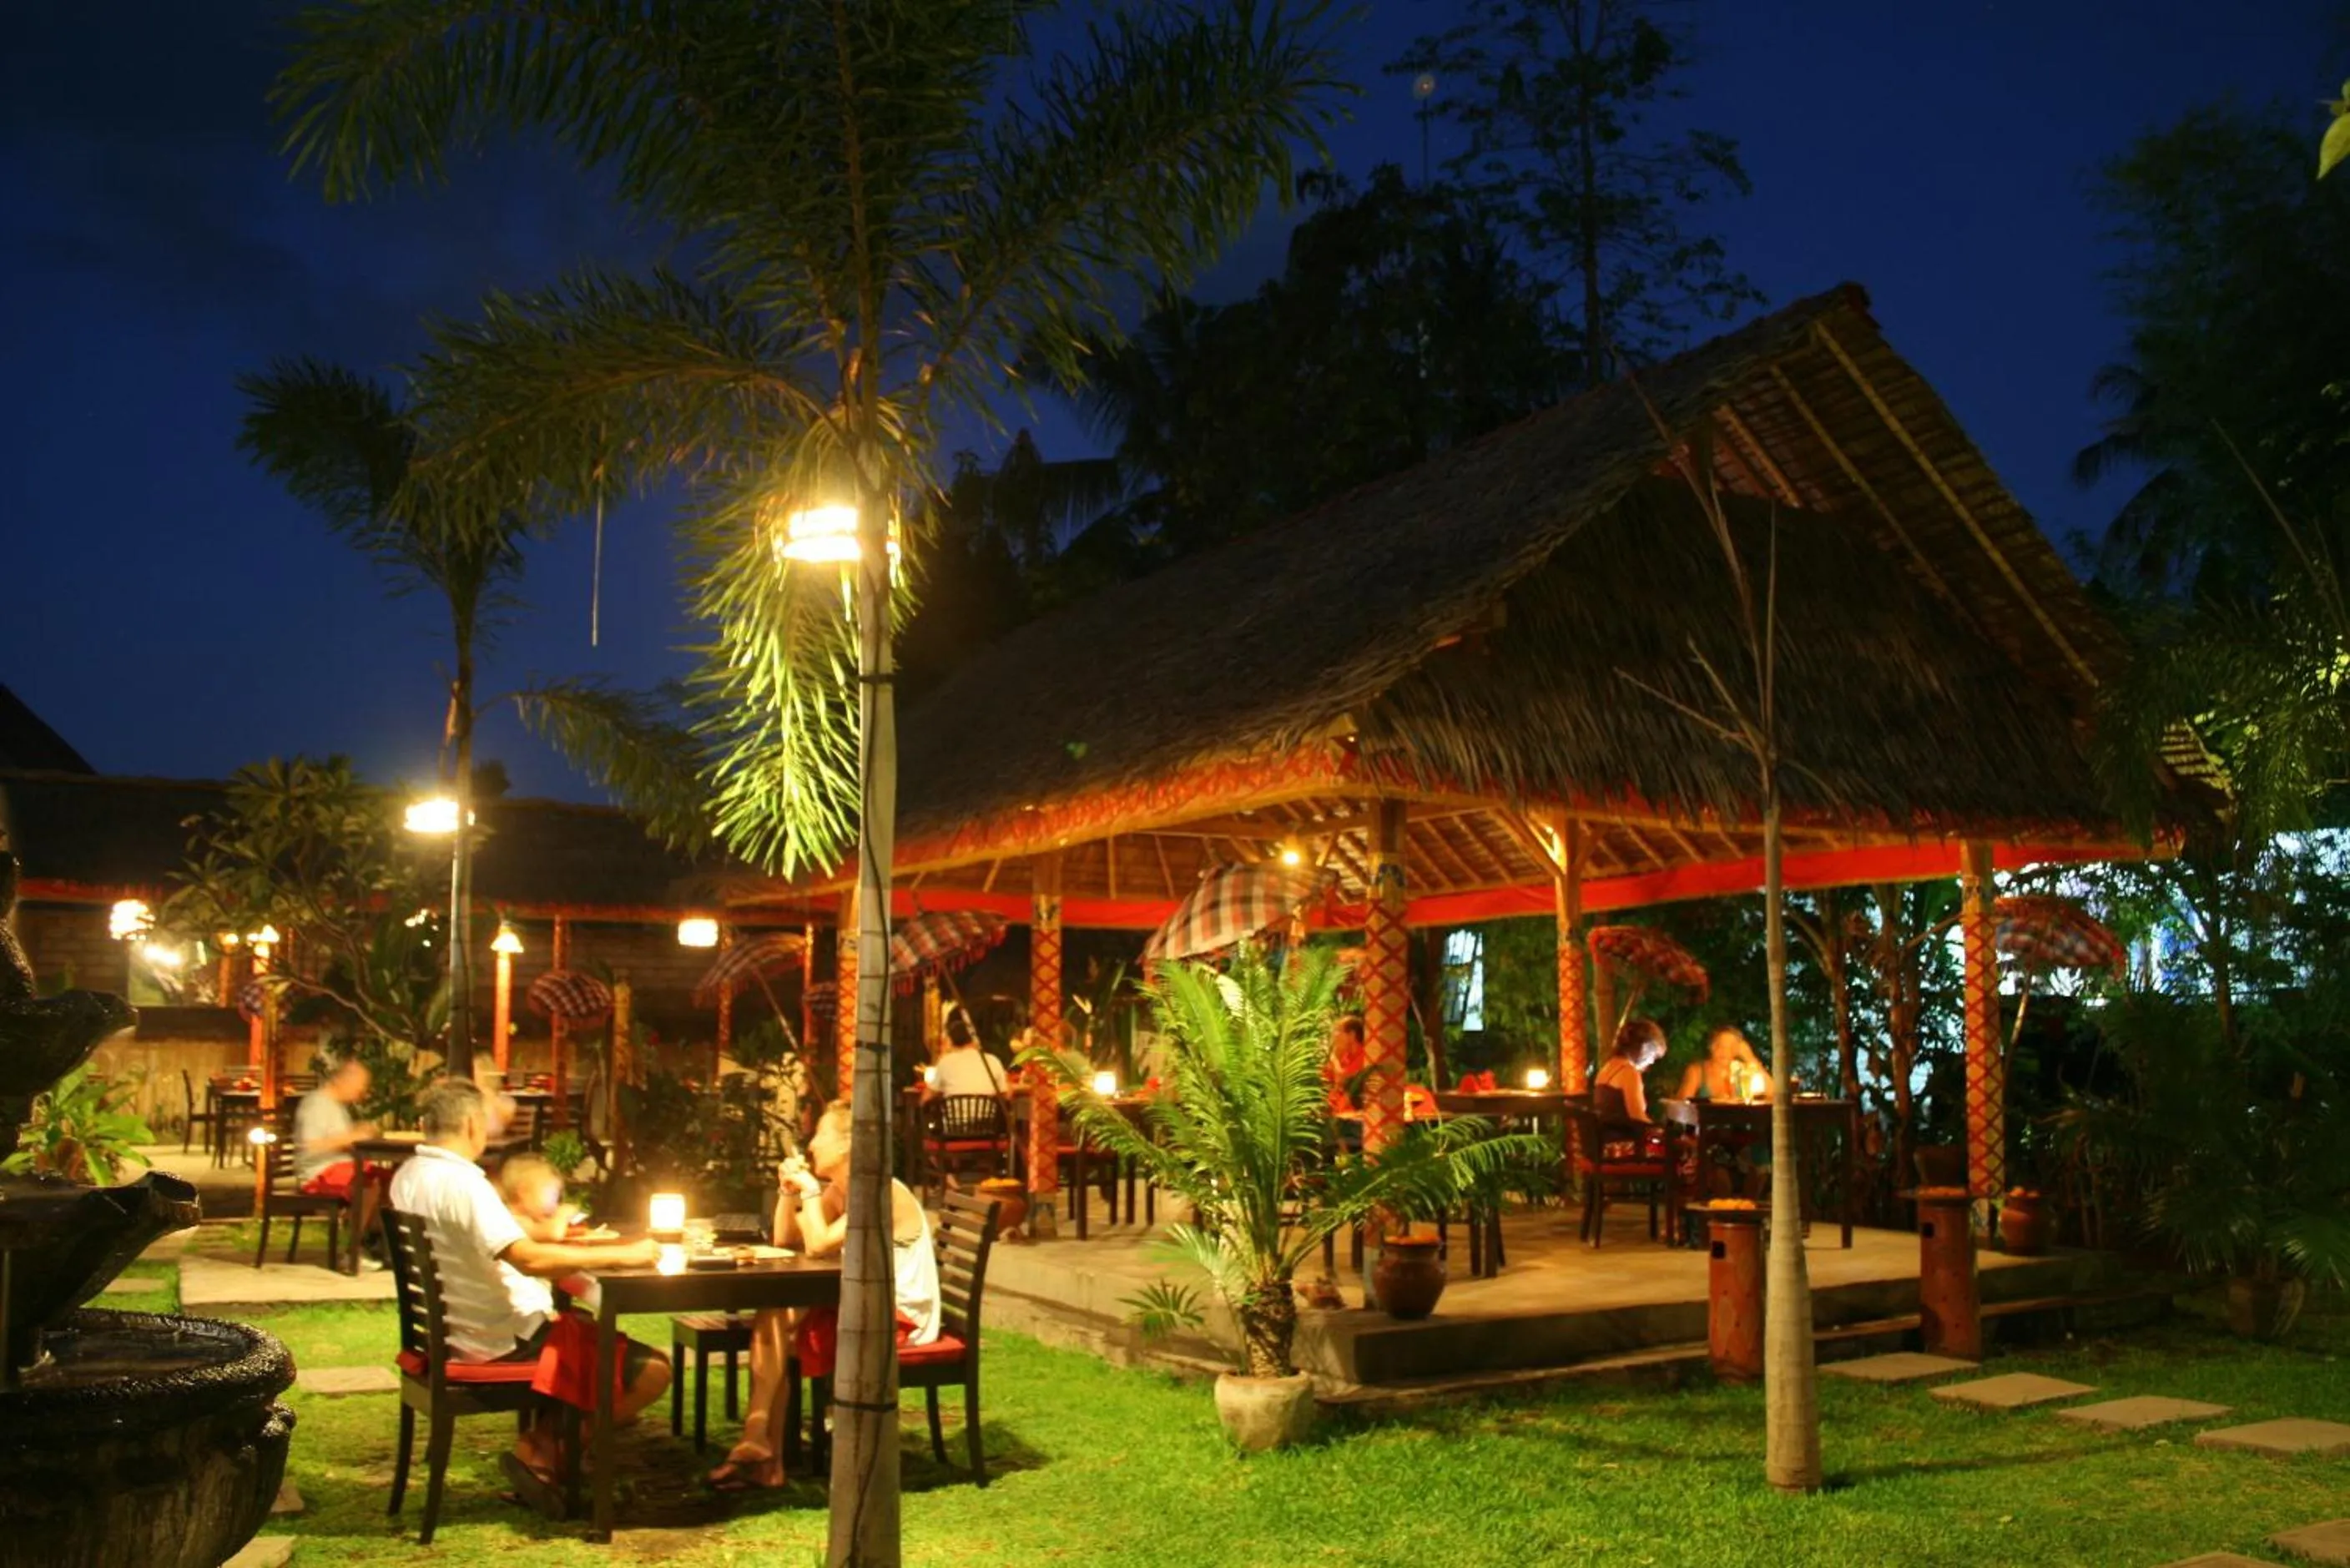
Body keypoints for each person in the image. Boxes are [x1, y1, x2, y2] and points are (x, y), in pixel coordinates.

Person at [387, 1078, 668, 1505]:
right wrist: (628, 1256)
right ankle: (548, 1451)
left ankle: (538, 1447)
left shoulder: (410, 1175)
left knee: (584, 1327)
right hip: (496, 1342)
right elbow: (528, 1260)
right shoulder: (462, 1183)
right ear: (470, 1124)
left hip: (453, 1335)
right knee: (653, 1370)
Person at [708, 1099, 939, 1492]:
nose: (811, 1144)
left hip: (896, 1319)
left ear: (848, 1144)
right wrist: (786, 1191)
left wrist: (811, 1191)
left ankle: (763, 1450)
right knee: (775, 1313)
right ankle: (761, 1446)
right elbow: (786, 1240)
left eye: (819, 1135)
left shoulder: (878, 1190)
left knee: (779, 1325)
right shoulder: (843, 1189)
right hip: (857, 1306)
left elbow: (817, 1246)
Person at [292, 1057, 388, 1268]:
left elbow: (344, 1141)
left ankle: (377, 1243)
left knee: (388, 1179)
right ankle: (353, 1250)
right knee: (369, 1181)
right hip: (318, 1172)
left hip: (340, 1167)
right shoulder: (317, 1103)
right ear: (344, 1081)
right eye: (360, 1087)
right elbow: (311, 1145)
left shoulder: (338, 1106)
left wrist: (358, 1136)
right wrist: (352, 1136)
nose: (361, 1092)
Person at [1595, 1018, 1669, 1124]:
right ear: (1644, 1047)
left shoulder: (1608, 1067)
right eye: (1653, 1055)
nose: (1652, 1061)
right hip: (1625, 1139)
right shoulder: (1629, 1073)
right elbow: (1638, 1120)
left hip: (1607, 1138)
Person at [1675, 1025, 1772, 1104]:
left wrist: (1750, 1057)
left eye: (1731, 1046)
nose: (1724, 1051)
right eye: (1719, 1045)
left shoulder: (1742, 1072)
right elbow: (1682, 1104)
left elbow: (1774, 1094)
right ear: (1710, 1046)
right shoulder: (1697, 1071)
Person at [930, 1007, 1007, 1097]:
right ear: (974, 1039)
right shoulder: (993, 1061)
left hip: (955, 1110)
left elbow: (928, 1095)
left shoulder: (945, 1062)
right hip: (985, 1111)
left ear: (952, 1041)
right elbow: (1006, 1094)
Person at [1324, 1015, 1369, 1115]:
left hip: (1354, 1112)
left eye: (1339, 1030)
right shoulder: (1345, 1056)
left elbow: (1342, 1079)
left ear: (1352, 1035)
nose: (1335, 1035)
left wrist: (1333, 1058)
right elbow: (1326, 1079)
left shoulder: (1364, 1056)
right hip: (1336, 1108)